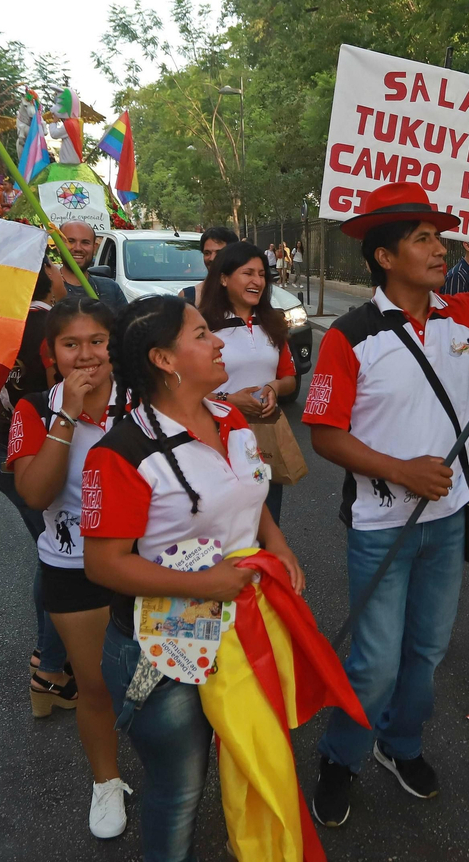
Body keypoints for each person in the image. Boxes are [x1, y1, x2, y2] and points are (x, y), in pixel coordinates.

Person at [302, 181, 469, 827]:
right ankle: (340, 757)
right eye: (423, 238)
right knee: (374, 660)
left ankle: (401, 745)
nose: (439, 248)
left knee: (428, 650)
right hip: (379, 526)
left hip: (447, 525)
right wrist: (400, 471)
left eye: (438, 237)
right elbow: (324, 432)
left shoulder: (467, 314)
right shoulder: (350, 337)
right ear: (385, 256)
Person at [82, 294, 305, 861]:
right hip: (167, 646)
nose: (220, 341)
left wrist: (276, 546)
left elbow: (250, 495)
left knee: (251, 757)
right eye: (203, 334)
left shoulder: (230, 417)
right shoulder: (121, 453)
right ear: (164, 359)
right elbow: (104, 564)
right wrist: (204, 585)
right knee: (180, 791)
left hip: (245, 624)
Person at [6, 296, 131, 839]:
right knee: (98, 686)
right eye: (71, 344)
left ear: (115, 346)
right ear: (51, 353)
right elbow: (35, 492)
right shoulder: (34, 408)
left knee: (177, 678)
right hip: (73, 567)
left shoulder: (146, 400)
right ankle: (106, 783)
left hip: (152, 563)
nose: (86, 355)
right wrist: (66, 418)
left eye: (97, 341)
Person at [0, 262, 73, 708]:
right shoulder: (45, 327)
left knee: (53, 552)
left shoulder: (1, 326)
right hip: (33, 456)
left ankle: (49, 653)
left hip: (6, 446)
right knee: (61, 557)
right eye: (75, 345)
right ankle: (51, 665)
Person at [198, 241, 299, 520]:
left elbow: (289, 378)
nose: (257, 281)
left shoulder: (273, 324)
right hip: (214, 441)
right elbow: (180, 389)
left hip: (263, 444)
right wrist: (229, 401)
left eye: (262, 274)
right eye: (248, 273)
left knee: (267, 522)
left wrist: (274, 388)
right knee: (223, 527)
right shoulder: (202, 327)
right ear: (223, 278)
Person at [58, 221, 128, 312]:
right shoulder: (44, 290)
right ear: (58, 246)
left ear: (94, 248)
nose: (78, 248)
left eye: (85, 242)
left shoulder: (111, 288)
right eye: (70, 241)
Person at [182, 226, 240, 303]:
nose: (212, 258)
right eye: (207, 253)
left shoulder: (247, 295)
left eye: (219, 253)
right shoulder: (188, 296)